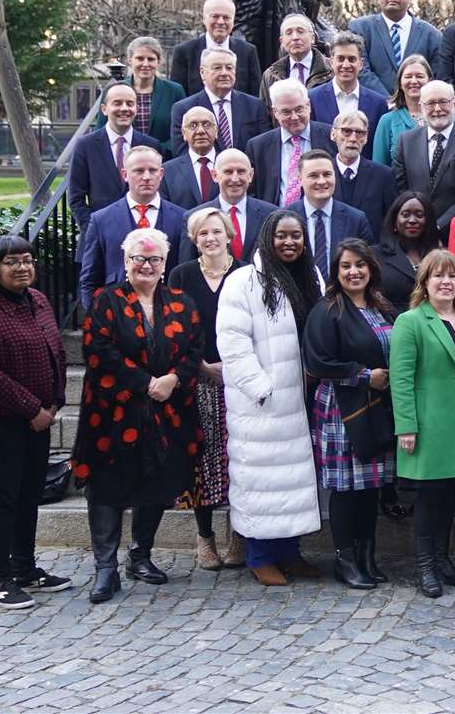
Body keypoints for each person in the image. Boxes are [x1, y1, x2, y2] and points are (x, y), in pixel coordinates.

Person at [72, 228, 204, 603]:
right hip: (113, 413)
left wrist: (173, 380)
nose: (146, 265)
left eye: (154, 259)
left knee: (156, 482)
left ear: (165, 264)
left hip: (167, 412)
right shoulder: (105, 300)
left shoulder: (182, 302)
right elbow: (98, 350)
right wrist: (148, 383)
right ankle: (105, 567)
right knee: (107, 487)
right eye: (138, 259)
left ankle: (140, 556)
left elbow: (194, 350)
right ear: (125, 262)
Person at [0, 236, 71, 609]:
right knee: (2, 498)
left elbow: (55, 351)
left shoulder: (37, 301)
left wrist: (55, 402)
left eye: (27, 260)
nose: (22, 268)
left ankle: (25, 568)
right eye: (11, 262)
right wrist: (31, 409)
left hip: (39, 416)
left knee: (28, 495)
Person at [215, 212, 323, 586]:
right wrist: (260, 387)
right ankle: (260, 556)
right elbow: (233, 343)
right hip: (262, 402)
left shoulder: (312, 277)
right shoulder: (243, 282)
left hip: (302, 396)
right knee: (263, 481)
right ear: (267, 238)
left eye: (296, 236)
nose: (289, 243)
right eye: (282, 236)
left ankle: (290, 553)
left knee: (292, 480)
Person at [389, 249, 455, 597]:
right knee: (429, 496)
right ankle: (425, 566)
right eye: (438, 275)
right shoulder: (411, 321)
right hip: (428, 425)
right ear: (425, 282)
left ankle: (442, 558)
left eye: (453, 276)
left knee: (449, 495)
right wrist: (406, 425)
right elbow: (401, 379)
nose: (446, 282)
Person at [301, 239, 398, 590]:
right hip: (342, 407)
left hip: (377, 407)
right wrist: (363, 376)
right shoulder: (327, 310)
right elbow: (317, 361)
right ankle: (345, 559)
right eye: (346, 266)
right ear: (336, 272)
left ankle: (367, 555)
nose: (354, 271)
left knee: (370, 486)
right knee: (346, 488)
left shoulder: (382, 307)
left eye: (360, 264)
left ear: (371, 268)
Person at [165, 209, 247, 571]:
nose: (210, 238)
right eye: (202, 233)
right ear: (194, 239)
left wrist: (233, 367)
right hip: (196, 379)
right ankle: (205, 538)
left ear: (228, 233)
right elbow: (173, 327)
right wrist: (200, 366)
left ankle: (240, 537)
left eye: (216, 231)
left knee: (240, 461)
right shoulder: (181, 275)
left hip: (239, 379)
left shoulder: (245, 273)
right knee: (203, 460)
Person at [78, 145, 189, 309]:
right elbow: (90, 279)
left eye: (152, 170)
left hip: (168, 316)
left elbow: (186, 274)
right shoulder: (101, 219)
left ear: (161, 174)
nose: (146, 177)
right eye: (138, 171)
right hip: (118, 317)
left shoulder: (182, 218)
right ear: (125, 174)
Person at [69, 83, 167, 226]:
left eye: (130, 103)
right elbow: (76, 198)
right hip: (101, 234)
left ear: (136, 108)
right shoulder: (85, 145)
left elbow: (160, 191)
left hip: (142, 233)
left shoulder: (151, 145)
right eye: (117, 103)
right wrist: (93, 228)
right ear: (104, 109)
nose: (124, 108)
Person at [393, 80, 455, 209]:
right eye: (431, 103)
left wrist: (441, 224)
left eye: (443, 102)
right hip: (417, 223)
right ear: (421, 107)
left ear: (454, 104)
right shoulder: (406, 142)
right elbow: (400, 188)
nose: (437, 109)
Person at [290, 150, 378, 290]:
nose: (322, 181)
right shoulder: (286, 218)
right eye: (313, 175)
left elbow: (368, 266)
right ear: (300, 179)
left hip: (343, 300)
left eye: (327, 174)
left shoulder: (356, 219)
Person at [350, 0, 443, 98]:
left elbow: (436, 75)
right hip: (375, 108)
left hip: (417, 110)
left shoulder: (431, 35)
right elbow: (361, 70)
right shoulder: (360, 29)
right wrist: (388, 101)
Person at [168, 47, 272, 158]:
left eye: (229, 68)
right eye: (217, 68)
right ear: (202, 72)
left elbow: (263, 147)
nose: (224, 73)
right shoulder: (184, 108)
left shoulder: (255, 106)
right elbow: (182, 153)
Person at [246, 79, 336, 206]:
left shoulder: (332, 137)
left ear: (308, 106)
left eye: (299, 109)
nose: (294, 117)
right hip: (276, 219)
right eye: (286, 112)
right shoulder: (258, 147)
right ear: (275, 112)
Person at [168, 0, 263, 98]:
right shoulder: (184, 52)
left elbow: (255, 96)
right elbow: (177, 97)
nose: (221, 22)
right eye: (215, 16)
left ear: (233, 21)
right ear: (204, 19)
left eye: (226, 17)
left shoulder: (248, 52)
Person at [307, 32, 390, 137]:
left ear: (361, 63)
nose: (346, 65)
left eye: (352, 59)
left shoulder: (378, 103)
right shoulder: (313, 98)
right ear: (331, 62)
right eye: (340, 59)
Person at [330, 112, 396, 237]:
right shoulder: (322, 175)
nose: (353, 138)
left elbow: (391, 221)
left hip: (371, 252)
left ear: (366, 138)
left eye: (360, 133)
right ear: (333, 134)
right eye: (346, 131)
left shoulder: (383, 175)